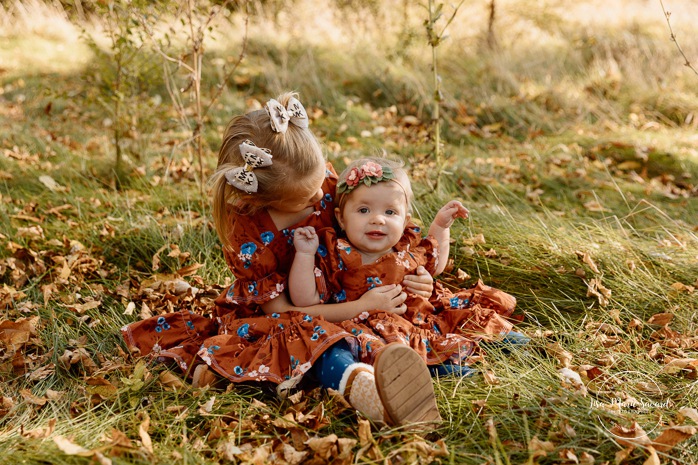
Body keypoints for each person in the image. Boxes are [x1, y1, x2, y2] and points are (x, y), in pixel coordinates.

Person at [120, 93, 440, 426]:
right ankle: (364, 389)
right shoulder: (252, 241)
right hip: (291, 313)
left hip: (345, 292)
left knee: (408, 326)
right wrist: (361, 306)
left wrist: (413, 275)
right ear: (259, 199)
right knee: (312, 340)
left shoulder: (321, 184)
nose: (321, 198)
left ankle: (406, 372)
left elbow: (372, 233)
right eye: (307, 197)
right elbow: (286, 313)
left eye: (321, 184)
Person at [288, 157, 527, 379]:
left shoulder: (405, 249)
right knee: (383, 352)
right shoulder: (335, 254)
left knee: (463, 323)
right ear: (341, 219)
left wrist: (441, 226)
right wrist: (305, 254)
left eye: (390, 212)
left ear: (404, 221)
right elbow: (304, 299)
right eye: (363, 210)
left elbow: (436, 265)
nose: (378, 219)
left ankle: (521, 344)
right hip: (373, 330)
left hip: (421, 320)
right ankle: (440, 372)